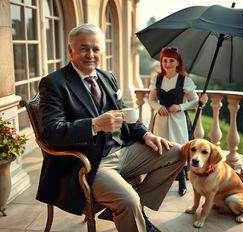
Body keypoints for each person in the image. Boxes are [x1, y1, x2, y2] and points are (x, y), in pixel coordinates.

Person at [37, 24, 186, 232]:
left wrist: (146, 134)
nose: (91, 54)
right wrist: (94, 125)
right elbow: (51, 133)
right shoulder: (53, 83)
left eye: (96, 49)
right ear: (70, 49)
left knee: (178, 153)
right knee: (128, 200)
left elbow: (124, 112)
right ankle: (131, 211)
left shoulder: (107, 77)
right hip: (91, 163)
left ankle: (130, 212)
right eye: (84, 48)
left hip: (124, 150)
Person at [148, 47, 208, 196]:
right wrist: (158, 106)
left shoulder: (185, 80)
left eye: (171, 60)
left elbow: (195, 101)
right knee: (160, 150)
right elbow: (151, 99)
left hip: (178, 121)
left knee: (180, 150)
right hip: (161, 120)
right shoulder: (157, 79)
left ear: (177, 62)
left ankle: (182, 180)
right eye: (165, 60)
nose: (167, 64)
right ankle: (160, 182)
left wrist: (180, 106)